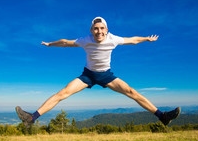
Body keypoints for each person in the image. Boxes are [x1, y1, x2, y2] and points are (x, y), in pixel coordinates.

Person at [16, 17, 180, 128]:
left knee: (131, 92)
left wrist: (147, 39)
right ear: (91, 30)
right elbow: (65, 42)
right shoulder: (85, 40)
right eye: (96, 29)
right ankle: (31, 118)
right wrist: (50, 44)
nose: (99, 31)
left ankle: (163, 116)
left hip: (106, 75)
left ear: (107, 29)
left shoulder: (113, 39)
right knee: (63, 93)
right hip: (88, 75)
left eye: (102, 28)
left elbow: (133, 40)